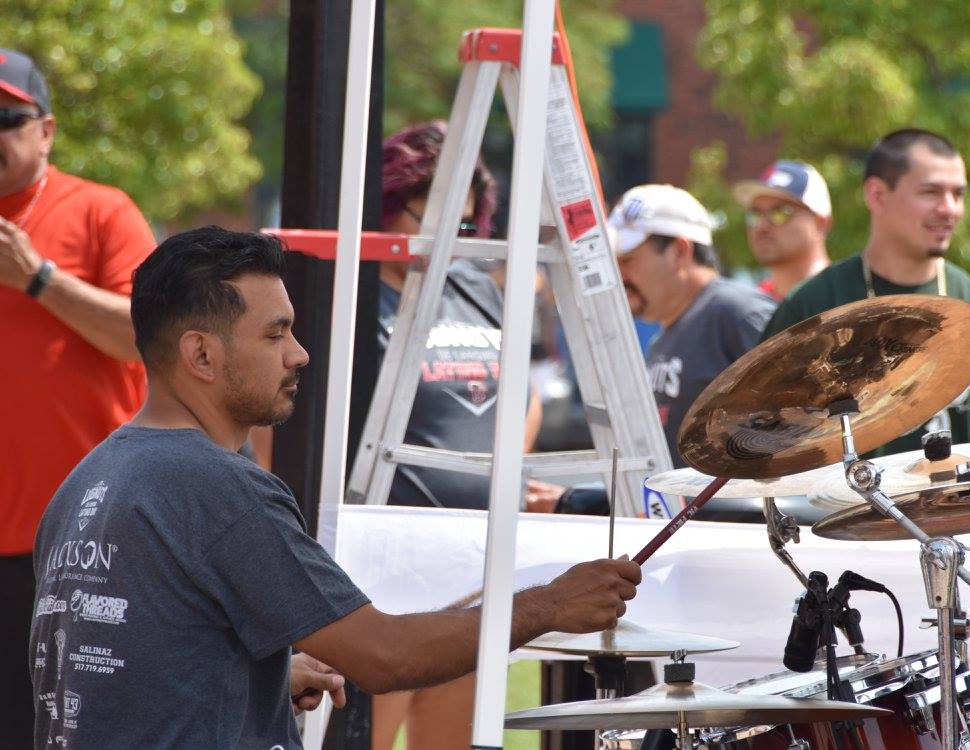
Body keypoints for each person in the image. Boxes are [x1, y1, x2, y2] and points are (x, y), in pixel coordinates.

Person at [28, 226, 641, 748]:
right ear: (201, 355)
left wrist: (262, 678)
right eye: (275, 335)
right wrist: (549, 605)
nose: (299, 354)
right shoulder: (217, 486)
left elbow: (128, 660)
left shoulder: (91, 479)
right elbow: (384, 655)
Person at [373, 120, 553, 749]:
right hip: (382, 572)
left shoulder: (474, 285)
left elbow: (522, 394)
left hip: (473, 567)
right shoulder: (350, 293)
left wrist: (505, 471)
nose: (452, 235)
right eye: (432, 214)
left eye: (469, 223)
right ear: (391, 202)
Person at [0, 48, 156, 746]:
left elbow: (144, 335)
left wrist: (38, 279)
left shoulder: (100, 211)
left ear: (47, 130)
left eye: (7, 118)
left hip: (80, 548)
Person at [761, 129, 970, 454]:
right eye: (931, 192)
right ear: (877, 195)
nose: (950, 209)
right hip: (842, 505)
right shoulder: (810, 307)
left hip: (951, 506)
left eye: (958, 194)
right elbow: (763, 444)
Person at [608, 184, 776, 468]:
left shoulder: (738, 313)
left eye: (627, 261)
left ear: (679, 252)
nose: (619, 274)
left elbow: (798, 429)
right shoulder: (668, 332)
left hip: (731, 513)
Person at [734, 160, 832, 301]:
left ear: (820, 223)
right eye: (755, 214)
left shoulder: (849, 298)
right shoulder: (752, 305)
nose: (761, 226)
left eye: (780, 212)